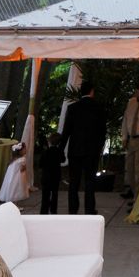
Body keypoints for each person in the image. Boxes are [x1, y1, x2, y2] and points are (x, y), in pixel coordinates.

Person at [61, 78, 107, 216]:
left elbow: (66, 131)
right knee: (89, 181)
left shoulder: (72, 108)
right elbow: (102, 131)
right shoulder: (98, 108)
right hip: (92, 151)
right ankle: (89, 209)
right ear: (92, 91)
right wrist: (99, 148)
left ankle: (73, 209)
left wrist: (60, 148)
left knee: (74, 182)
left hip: (75, 150)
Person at [39, 131, 63, 214]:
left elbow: (40, 164)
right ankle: (53, 210)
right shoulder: (59, 151)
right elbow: (63, 159)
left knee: (45, 194)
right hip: (55, 176)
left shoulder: (46, 151)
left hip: (46, 176)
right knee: (55, 194)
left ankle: (44, 210)